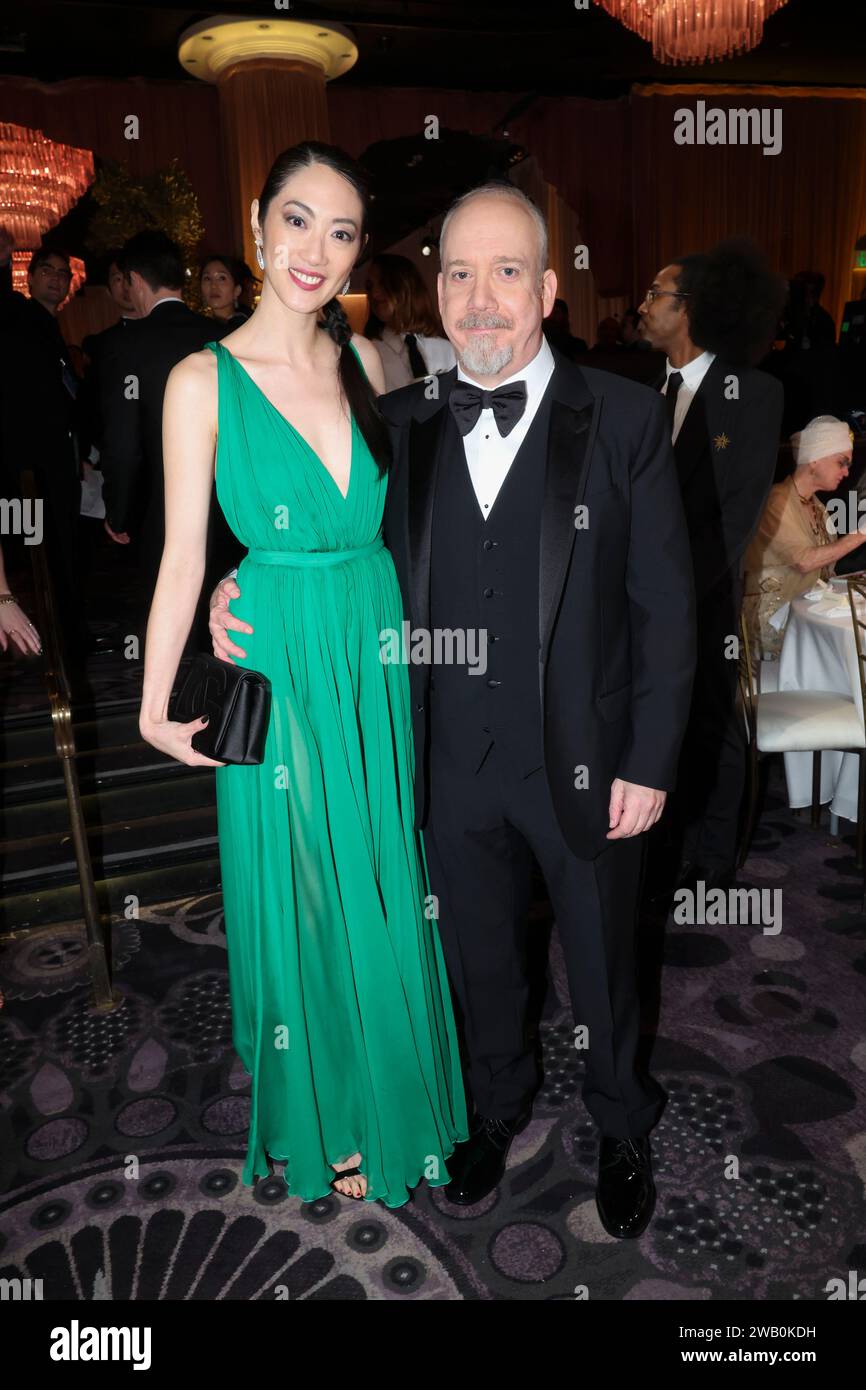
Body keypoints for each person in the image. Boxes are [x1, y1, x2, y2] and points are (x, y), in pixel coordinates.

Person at [212, 180, 697, 1237]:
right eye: (461, 274)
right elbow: (322, 544)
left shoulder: (619, 416)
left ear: (548, 290)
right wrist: (234, 586)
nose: (482, 299)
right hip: (438, 762)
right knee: (476, 953)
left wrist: (649, 761)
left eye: (507, 272)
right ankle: (493, 1108)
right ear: (436, 289)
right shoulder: (397, 423)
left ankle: (619, 1121)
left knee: (604, 960)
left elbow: (666, 607)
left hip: (588, 755)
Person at [140, 141, 468, 1206]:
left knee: (376, 869)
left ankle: (390, 1091)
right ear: (255, 222)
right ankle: (331, 1100)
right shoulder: (198, 380)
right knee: (309, 885)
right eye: (296, 221)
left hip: (370, 645)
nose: (314, 251)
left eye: (339, 231)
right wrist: (156, 699)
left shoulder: (374, 363)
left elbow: (420, 526)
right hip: (277, 651)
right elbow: (184, 553)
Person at [639, 239, 786, 893]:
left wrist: (677, 597)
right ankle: (665, 836)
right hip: (644, 598)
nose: (642, 306)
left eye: (655, 295)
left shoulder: (752, 394)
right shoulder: (645, 393)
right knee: (658, 722)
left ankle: (714, 852)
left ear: (689, 308)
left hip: (707, 597)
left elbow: (736, 513)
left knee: (713, 721)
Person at [99, 230, 236, 644]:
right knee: (230, 621)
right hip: (233, 508)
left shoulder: (125, 345)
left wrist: (118, 514)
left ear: (135, 280)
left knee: (176, 625)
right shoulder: (223, 337)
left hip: (163, 511)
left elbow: (123, 449)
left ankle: (183, 703)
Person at [0, 239, 87, 661]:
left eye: (62, 273)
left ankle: (60, 635)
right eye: (47, 272)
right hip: (28, 468)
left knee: (56, 552)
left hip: (53, 462)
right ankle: (48, 638)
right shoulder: (18, 317)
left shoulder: (48, 325)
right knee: (39, 552)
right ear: (30, 277)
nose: (55, 279)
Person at [743, 416, 860, 657]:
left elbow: (827, 572)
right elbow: (804, 560)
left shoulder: (818, 508)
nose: (847, 472)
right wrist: (861, 533)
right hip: (772, 629)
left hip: (806, 620)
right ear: (815, 459)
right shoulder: (776, 501)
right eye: (842, 462)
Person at [364, 253, 454, 389]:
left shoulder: (447, 350)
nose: (375, 294)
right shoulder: (368, 353)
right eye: (370, 286)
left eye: (383, 283)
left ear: (406, 286)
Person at [200, 255, 253, 328]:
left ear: (237, 290)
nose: (213, 285)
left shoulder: (247, 326)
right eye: (207, 278)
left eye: (222, 278)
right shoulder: (199, 327)